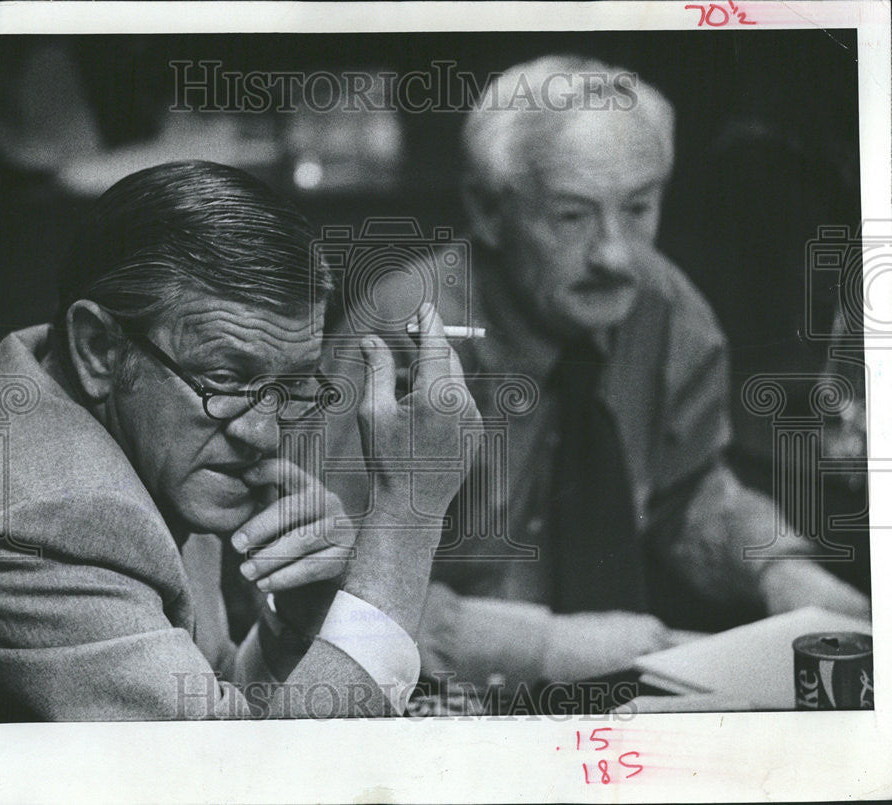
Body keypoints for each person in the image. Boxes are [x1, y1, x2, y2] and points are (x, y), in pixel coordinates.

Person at [326, 55, 870, 697]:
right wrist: (545, 646)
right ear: (488, 210)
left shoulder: (663, 304)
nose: (615, 255)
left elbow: (685, 488)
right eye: (572, 217)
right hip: (428, 705)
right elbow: (327, 584)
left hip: (616, 698)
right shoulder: (404, 333)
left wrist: (777, 569)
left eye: (638, 208)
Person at [0, 160, 479, 722]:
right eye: (225, 379)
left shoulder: (138, 430)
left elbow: (219, 713)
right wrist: (410, 509)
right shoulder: (47, 522)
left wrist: (306, 620)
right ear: (97, 348)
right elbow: (257, 787)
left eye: (290, 387)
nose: (262, 435)